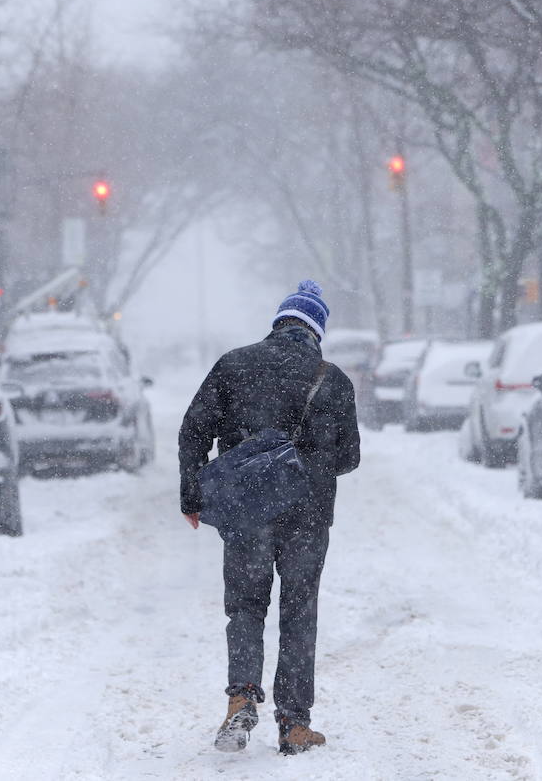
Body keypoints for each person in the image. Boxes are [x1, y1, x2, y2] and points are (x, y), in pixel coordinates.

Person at [179, 280, 362, 756]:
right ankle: (294, 725)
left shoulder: (234, 365)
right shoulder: (333, 379)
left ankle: (241, 696)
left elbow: (193, 431)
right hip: (308, 516)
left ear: (279, 321)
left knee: (245, 606)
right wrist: (305, 464)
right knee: (298, 613)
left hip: (246, 514)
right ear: (316, 330)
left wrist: (191, 495)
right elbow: (350, 458)